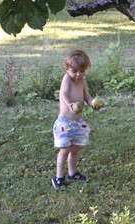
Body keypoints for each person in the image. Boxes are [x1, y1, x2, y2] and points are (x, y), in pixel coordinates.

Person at [51, 50, 101, 189]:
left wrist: (92, 103)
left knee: (75, 149)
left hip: (78, 123)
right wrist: (71, 105)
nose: (78, 74)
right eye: (74, 71)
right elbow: (64, 94)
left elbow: (87, 96)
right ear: (67, 69)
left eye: (82, 71)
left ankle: (72, 173)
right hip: (65, 123)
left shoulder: (82, 81)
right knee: (64, 150)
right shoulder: (67, 79)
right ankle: (58, 177)